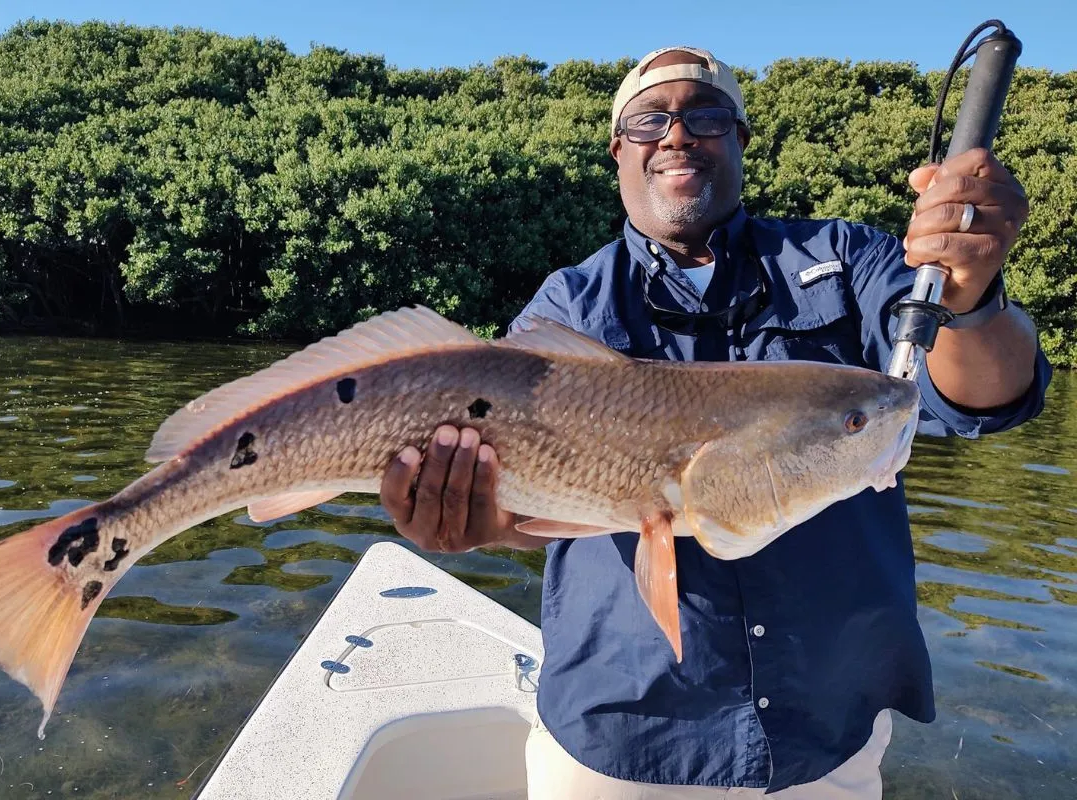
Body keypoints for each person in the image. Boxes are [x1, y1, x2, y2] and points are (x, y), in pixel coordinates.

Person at [378, 46, 1052, 798]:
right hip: (622, 729)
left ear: (738, 139)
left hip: (825, 732)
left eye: (704, 116)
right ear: (619, 151)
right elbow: (520, 506)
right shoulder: (568, 308)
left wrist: (973, 297)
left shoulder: (846, 258)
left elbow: (978, 395)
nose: (676, 135)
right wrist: (469, 518)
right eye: (649, 120)